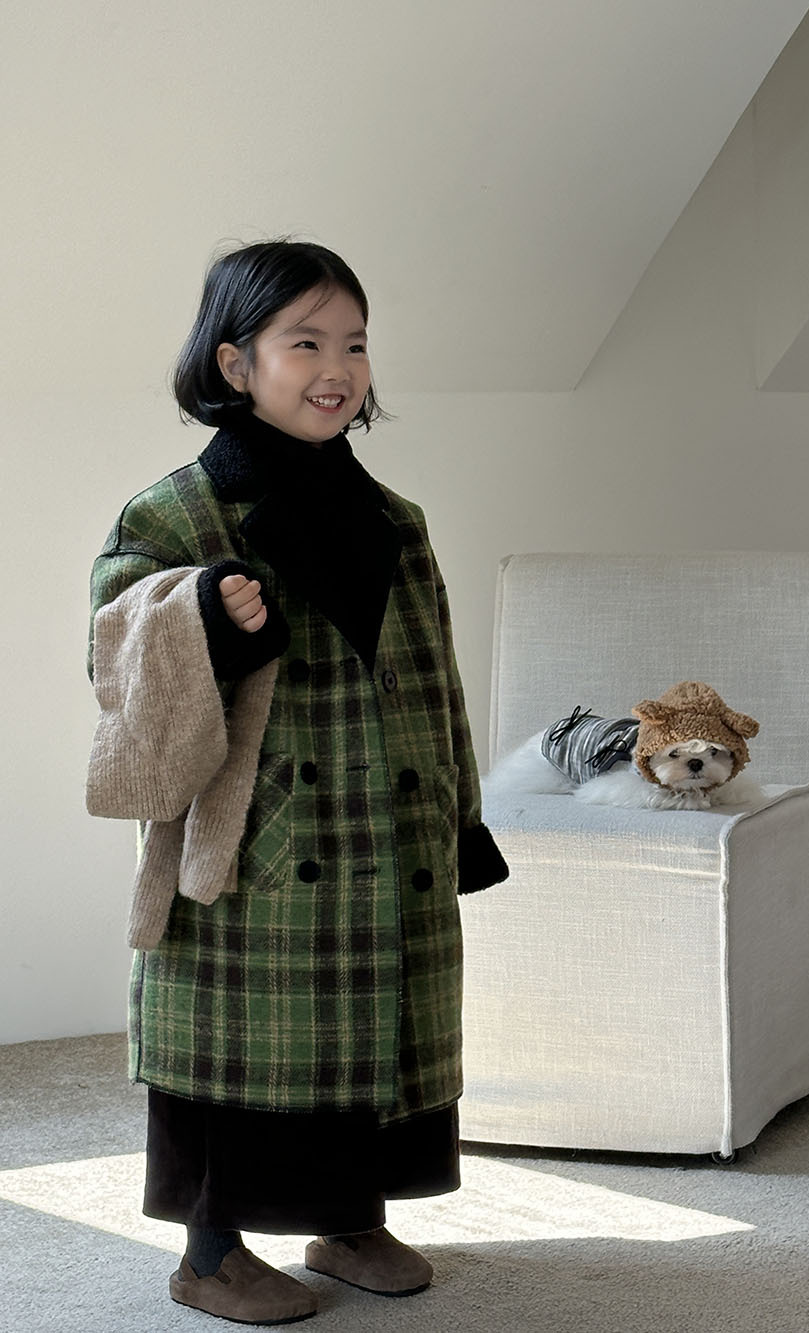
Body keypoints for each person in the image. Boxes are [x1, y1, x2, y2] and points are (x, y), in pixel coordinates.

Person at [86, 239, 508, 1326]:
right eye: (305, 343)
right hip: (261, 838)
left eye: (354, 344)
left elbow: (435, 677)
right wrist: (203, 613)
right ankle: (210, 1251)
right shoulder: (178, 513)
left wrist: (458, 818)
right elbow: (116, 652)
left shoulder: (395, 517)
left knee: (376, 1032)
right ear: (235, 364)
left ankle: (348, 1218)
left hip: (392, 822)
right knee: (245, 1045)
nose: (338, 368)